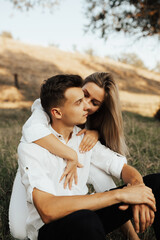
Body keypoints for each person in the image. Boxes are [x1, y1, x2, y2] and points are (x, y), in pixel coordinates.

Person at [18, 74, 160, 240]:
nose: (86, 106)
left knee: (157, 183)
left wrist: (140, 191)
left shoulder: (83, 139)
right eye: (80, 101)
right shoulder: (32, 146)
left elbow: (122, 168)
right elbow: (48, 211)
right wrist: (119, 195)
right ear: (57, 112)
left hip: (85, 214)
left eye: (91, 102)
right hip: (50, 228)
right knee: (86, 220)